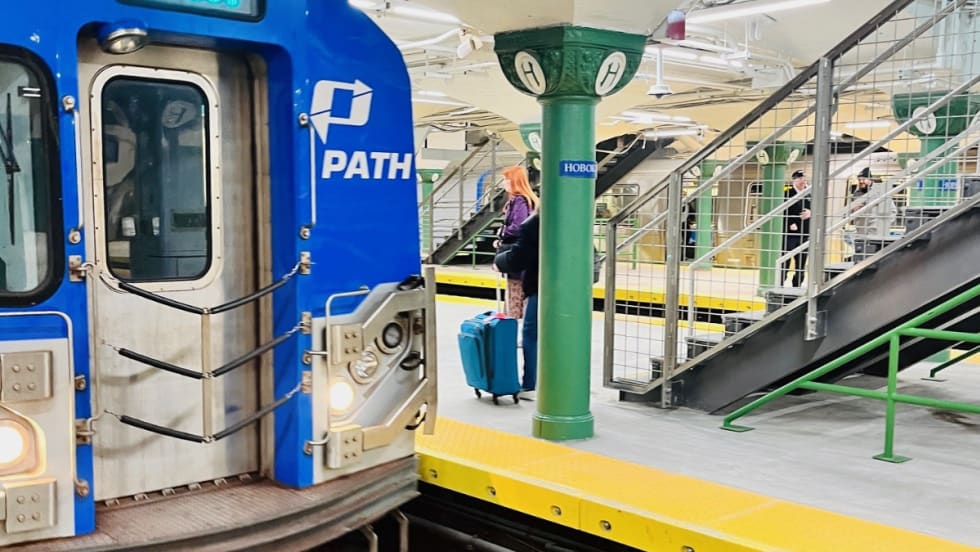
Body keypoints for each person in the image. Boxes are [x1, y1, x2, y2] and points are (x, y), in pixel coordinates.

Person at [493, 212, 539, 401]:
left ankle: (530, 384)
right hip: (575, 289)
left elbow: (519, 258)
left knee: (531, 334)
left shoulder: (534, 223)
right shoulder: (576, 218)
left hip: (542, 287)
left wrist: (500, 261)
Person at [495, 165, 539, 320]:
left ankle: (513, 326)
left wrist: (501, 234)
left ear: (515, 181)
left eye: (506, 179)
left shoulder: (520, 201)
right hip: (525, 257)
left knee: (514, 297)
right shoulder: (528, 200)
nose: (504, 183)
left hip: (516, 256)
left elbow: (517, 227)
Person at [781, 169, 811, 287]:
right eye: (800, 179)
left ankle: (797, 285)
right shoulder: (787, 194)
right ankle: (780, 283)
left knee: (801, 263)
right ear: (794, 180)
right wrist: (790, 223)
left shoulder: (810, 194)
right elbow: (782, 212)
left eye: (804, 179)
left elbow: (818, 209)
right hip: (790, 234)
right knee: (785, 261)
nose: (803, 181)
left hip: (805, 233)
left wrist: (811, 213)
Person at [849, 167, 896, 240]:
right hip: (861, 232)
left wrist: (884, 226)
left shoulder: (881, 191)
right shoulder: (856, 194)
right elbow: (852, 212)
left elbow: (892, 211)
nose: (861, 181)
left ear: (870, 179)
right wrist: (853, 210)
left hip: (877, 233)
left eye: (863, 179)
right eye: (859, 179)